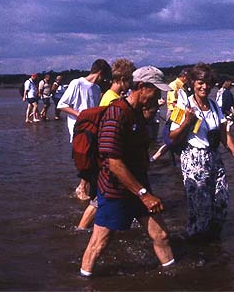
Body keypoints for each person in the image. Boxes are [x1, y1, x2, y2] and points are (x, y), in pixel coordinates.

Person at [80, 65, 175, 277]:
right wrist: (144, 194)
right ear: (141, 87)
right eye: (155, 90)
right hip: (115, 189)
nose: (158, 95)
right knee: (99, 243)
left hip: (138, 184)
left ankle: (175, 279)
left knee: (161, 235)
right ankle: (83, 280)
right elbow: (113, 161)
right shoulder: (116, 114)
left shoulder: (138, 114)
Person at [169, 63, 234, 266]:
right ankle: (196, 250)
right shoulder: (181, 107)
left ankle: (213, 245)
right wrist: (186, 121)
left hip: (213, 157)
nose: (204, 87)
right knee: (200, 208)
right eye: (200, 82)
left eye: (208, 83)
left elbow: (223, 134)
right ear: (193, 83)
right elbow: (172, 137)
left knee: (221, 203)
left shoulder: (213, 106)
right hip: (193, 158)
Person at [77, 58, 136, 230]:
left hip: (104, 156)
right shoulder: (112, 100)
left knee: (100, 198)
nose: (131, 84)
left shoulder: (111, 96)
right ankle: (82, 229)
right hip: (107, 159)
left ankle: (84, 229)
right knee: (99, 199)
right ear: (123, 80)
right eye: (130, 80)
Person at [58, 59, 112, 201]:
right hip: (80, 128)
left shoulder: (97, 89)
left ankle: (85, 187)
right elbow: (62, 105)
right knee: (86, 157)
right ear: (100, 72)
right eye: (104, 75)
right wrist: (81, 115)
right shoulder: (77, 83)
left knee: (94, 158)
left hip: (93, 127)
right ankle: (81, 188)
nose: (105, 79)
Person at [150, 68, 189, 162]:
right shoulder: (174, 85)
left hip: (181, 113)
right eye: (189, 78)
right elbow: (173, 103)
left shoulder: (183, 86)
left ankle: (157, 158)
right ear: (184, 76)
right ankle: (155, 158)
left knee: (178, 139)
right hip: (174, 113)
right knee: (172, 139)